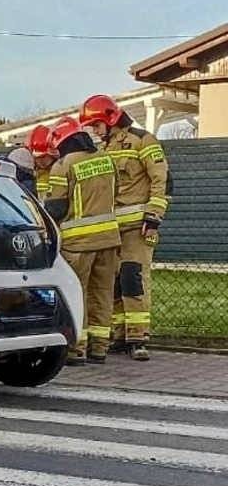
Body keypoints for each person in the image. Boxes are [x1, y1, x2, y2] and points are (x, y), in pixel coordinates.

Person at [80, 94, 170, 361]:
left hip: (137, 227)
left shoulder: (143, 141)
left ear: (109, 118)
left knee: (133, 277)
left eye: (96, 125)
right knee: (114, 281)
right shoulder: (101, 151)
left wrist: (153, 218)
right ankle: (119, 334)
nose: (94, 132)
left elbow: (160, 180)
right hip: (110, 228)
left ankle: (137, 337)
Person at [43, 118, 119, 365]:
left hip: (78, 243)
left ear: (62, 141)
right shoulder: (107, 160)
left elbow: (56, 207)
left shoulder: (63, 166)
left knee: (78, 294)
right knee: (103, 293)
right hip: (109, 239)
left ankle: (77, 349)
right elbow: (115, 194)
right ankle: (99, 349)